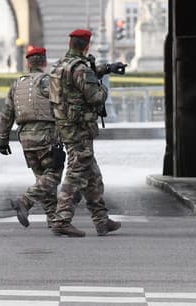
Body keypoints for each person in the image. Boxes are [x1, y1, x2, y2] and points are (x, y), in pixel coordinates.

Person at [47, 29, 125, 237]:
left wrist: (106, 69)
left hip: (65, 126)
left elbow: (79, 79)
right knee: (75, 173)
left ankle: (101, 220)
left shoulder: (60, 66)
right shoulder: (80, 69)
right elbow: (96, 97)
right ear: (86, 46)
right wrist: (103, 87)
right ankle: (61, 219)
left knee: (93, 177)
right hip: (80, 129)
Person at [0, 46, 64, 229]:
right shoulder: (48, 82)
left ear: (28, 63)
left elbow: (6, 114)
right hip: (46, 137)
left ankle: (53, 218)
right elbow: (61, 108)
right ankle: (25, 201)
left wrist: (2, 139)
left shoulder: (16, 84)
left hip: (26, 139)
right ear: (44, 62)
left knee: (41, 178)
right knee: (52, 176)